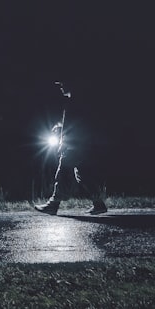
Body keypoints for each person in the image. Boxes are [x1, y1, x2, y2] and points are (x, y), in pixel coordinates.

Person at [34, 82, 108, 216]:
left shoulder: (75, 101)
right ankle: (99, 204)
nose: (61, 86)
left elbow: (76, 124)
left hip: (75, 144)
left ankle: (53, 204)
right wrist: (60, 126)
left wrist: (65, 142)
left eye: (63, 83)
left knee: (62, 172)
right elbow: (77, 122)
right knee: (83, 174)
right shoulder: (77, 101)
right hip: (81, 144)